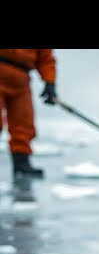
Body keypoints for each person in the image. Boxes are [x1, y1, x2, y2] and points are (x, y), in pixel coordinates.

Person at [0, 49, 57, 177]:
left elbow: (45, 58)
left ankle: (21, 163)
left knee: (24, 123)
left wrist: (49, 82)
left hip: (21, 79)